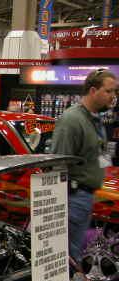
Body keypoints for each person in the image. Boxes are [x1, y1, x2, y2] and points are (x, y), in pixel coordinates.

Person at [51, 68, 118, 263]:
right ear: (93, 91)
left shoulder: (95, 119)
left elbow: (100, 154)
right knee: (68, 256)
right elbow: (58, 163)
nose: (113, 96)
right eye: (108, 91)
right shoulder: (72, 120)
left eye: (115, 92)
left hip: (85, 196)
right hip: (72, 198)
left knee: (75, 253)